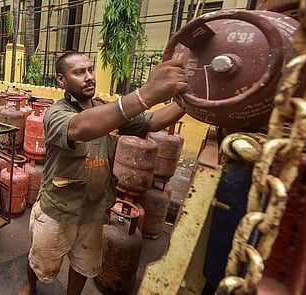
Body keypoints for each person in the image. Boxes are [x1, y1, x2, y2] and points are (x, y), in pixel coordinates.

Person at [20, 52, 188, 295]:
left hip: (94, 210)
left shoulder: (106, 110)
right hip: (58, 209)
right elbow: (80, 127)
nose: (89, 77)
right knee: (40, 262)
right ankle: (30, 285)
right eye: (79, 72)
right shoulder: (56, 113)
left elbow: (151, 122)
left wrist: (187, 101)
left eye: (90, 70)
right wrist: (145, 94)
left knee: (83, 266)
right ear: (61, 80)